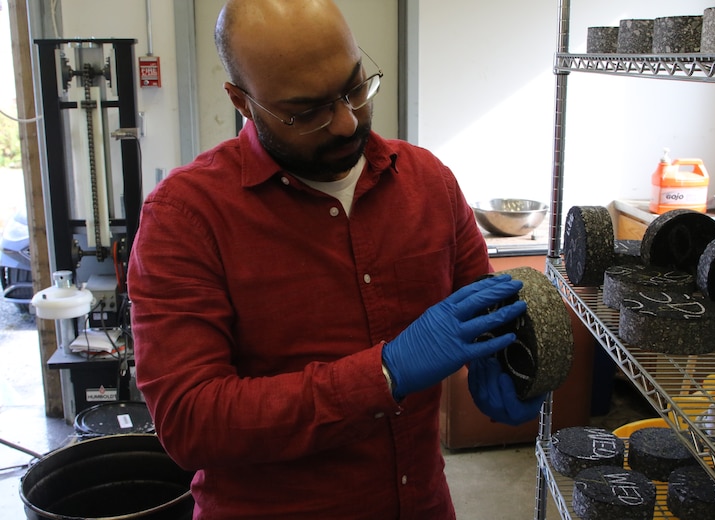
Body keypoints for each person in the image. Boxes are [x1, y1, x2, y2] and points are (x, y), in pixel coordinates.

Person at [127, 0, 543, 518]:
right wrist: (385, 373)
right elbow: (190, 422)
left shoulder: (428, 182)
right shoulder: (186, 218)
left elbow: (481, 310)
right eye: (307, 111)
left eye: (355, 88)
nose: (347, 123)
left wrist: (504, 361)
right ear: (242, 101)